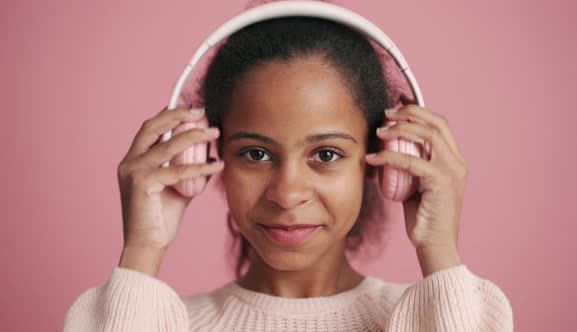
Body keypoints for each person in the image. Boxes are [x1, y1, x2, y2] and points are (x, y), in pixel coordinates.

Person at [63, 5, 513, 331]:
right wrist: (142, 250)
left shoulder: (437, 318)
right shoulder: (158, 322)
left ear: (383, 158)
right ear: (203, 156)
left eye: (326, 154)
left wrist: (440, 250)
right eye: (256, 154)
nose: (287, 192)